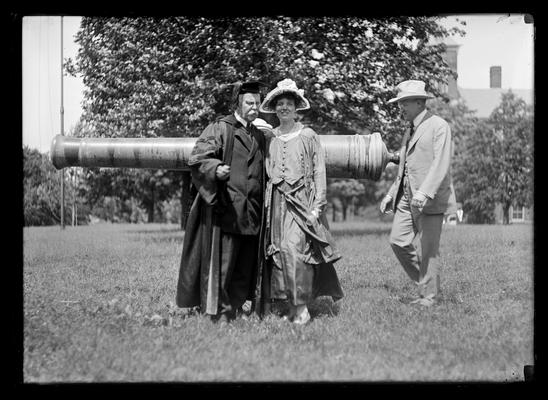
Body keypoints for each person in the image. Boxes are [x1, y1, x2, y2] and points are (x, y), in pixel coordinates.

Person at [175, 80, 272, 322]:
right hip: (228, 210)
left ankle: (236, 307)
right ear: (238, 104)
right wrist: (216, 168)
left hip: (252, 212)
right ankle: (220, 311)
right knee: (224, 265)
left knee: (244, 265)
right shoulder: (221, 128)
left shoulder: (259, 136)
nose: (254, 107)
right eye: (249, 103)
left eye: (257, 103)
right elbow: (198, 157)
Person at [259, 78, 344, 324]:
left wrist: (318, 206)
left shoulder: (308, 136)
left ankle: (303, 308)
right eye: (280, 104)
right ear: (274, 109)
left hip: (302, 203)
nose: (284, 108)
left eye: (288, 104)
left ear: (297, 108)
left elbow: (319, 171)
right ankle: (291, 306)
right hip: (277, 204)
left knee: (295, 250)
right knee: (279, 253)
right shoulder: (270, 137)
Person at [380, 80, 457, 307]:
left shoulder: (439, 126)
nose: (400, 107)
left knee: (429, 250)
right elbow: (404, 168)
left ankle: (429, 297)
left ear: (419, 102)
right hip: (406, 197)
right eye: (399, 102)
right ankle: (425, 284)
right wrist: (390, 194)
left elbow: (440, 164)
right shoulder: (408, 131)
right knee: (398, 241)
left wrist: (424, 192)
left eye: (404, 102)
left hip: (429, 199)